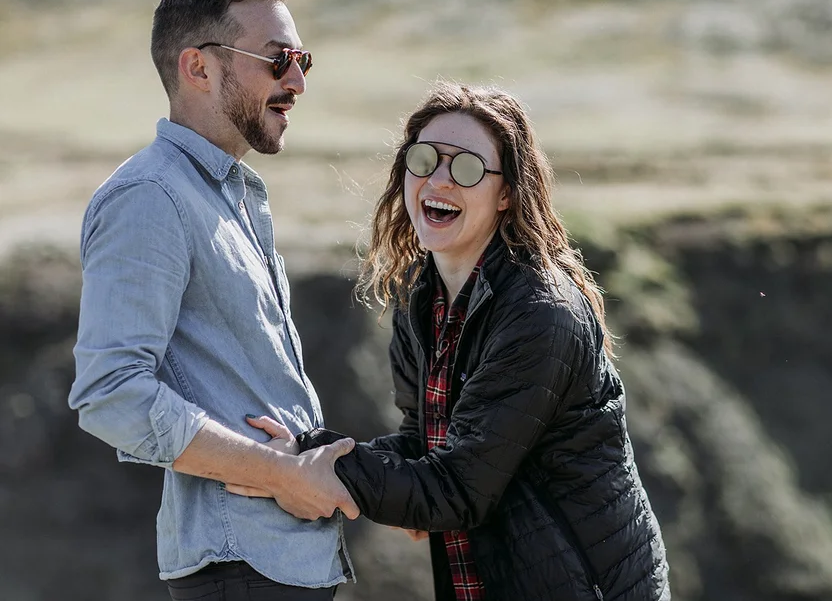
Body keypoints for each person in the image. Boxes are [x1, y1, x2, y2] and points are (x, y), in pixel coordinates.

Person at [234, 82, 671, 600]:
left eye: (465, 167)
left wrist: (310, 470)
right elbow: (425, 446)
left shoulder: (540, 315)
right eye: (424, 160)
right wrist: (306, 454)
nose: (439, 179)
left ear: (507, 192)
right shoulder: (424, 303)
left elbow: (457, 489)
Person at [68, 0, 359, 600]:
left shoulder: (230, 197)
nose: (297, 82)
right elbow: (110, 392)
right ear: (199, 68)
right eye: (277, 60)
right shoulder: (150, 197)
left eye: (303, 60)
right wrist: (278, 475)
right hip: (241, 571)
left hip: (284, 565)